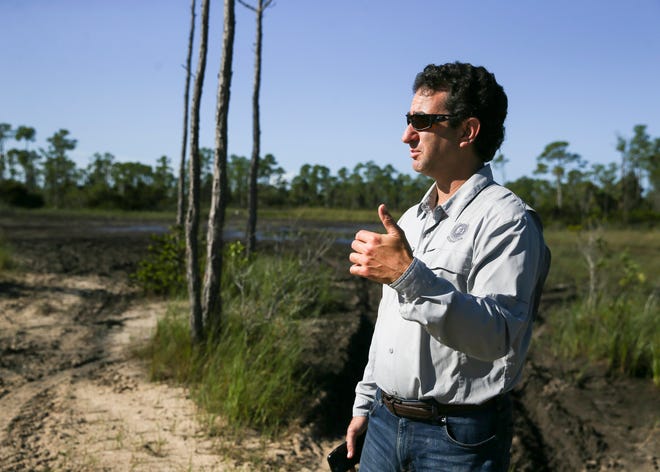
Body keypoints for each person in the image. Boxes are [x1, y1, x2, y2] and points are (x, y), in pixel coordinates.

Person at [345, 62, 550, 471]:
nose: (407, 135)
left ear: (466, 131)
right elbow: (389, 325)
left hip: (457, 440)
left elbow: (497, 336)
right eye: (408, 120)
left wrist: (407, 275)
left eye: (422, 121)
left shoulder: (507, 220)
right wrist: (365, 403)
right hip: (384, 426)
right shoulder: (409, 220)